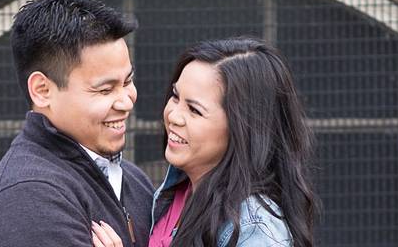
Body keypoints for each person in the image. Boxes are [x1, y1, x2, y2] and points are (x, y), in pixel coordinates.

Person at [92, 38, 318, 247]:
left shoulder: (252, 226)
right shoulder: (176, 191)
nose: (173, 116)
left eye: (194, 110)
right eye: (175, 96)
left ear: (243, 129)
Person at [0, 0, 154, 247]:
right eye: (104, 90)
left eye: (127, 81)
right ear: (42, 90)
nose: (126, 101)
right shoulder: (30, 196)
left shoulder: (133, 178)